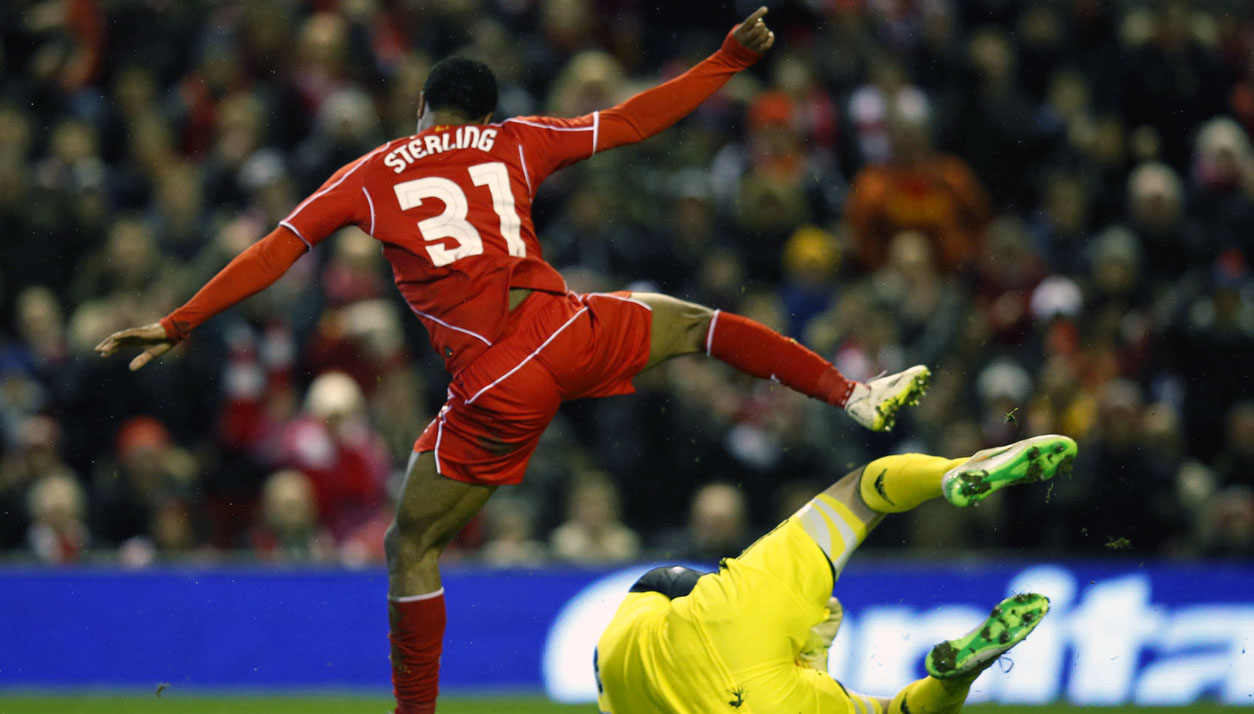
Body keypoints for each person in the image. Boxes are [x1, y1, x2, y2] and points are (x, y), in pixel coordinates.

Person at [94, 8, 931, 712]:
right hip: (567, 330)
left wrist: (179, 321)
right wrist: (728, 59)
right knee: (696, 324)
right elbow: (638, 119)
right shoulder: (517, 141)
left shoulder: (372, 172)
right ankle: (850, 392)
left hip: (498, 378)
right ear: (485, 113)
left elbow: (277, 250)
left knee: (411, 548)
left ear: (424, 106)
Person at [595, 434, 1078, 714]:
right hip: (728, 622)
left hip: (771, 702)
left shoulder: (617, 675)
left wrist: (810, 662)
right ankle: (955, 472)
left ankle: (955, 683)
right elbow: (662, 581)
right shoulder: (627, 631)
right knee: (865, 492)